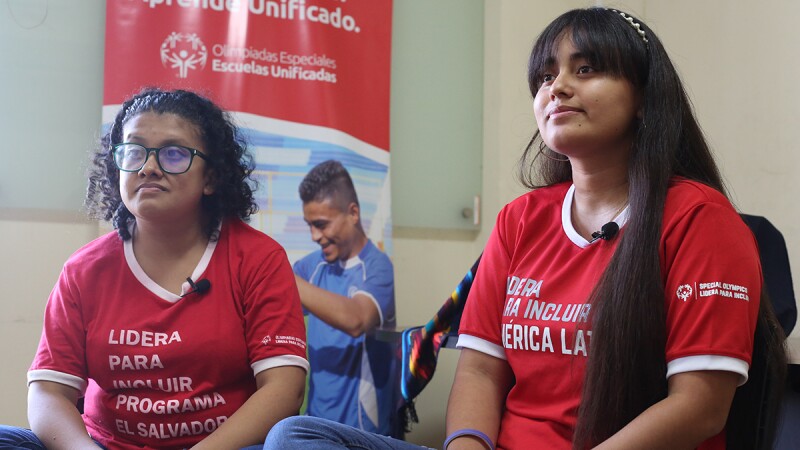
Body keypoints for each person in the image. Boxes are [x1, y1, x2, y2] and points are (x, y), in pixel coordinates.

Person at [263, 7, 787, 450]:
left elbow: (700, 407)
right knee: (295, 436)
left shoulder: (699, 219)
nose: (556, 87)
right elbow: (480, 370)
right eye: (545, 76)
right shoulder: (521, 220)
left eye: (585, 70)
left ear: (646, 97)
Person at [0, 88, 309, 450]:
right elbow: (48, 392)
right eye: (134, 152)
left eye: (174, 154)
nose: (148, 167)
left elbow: (283, 388)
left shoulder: (257, 258)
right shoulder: (84, 269)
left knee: (292, 441)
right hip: (106, 445)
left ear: (211, 177)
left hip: (225, 447)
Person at [292, 160, 397, 435]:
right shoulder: (309, 268)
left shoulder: (378, 267)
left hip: (363, 433)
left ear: (353, 213)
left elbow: (357, 319)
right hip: (315, 428)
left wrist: (284, 277)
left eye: (322, 224)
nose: (315, 236)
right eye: (309, 225)